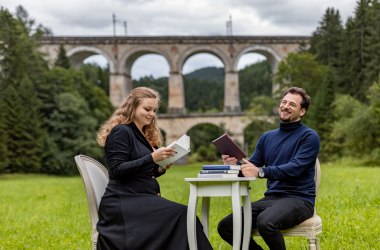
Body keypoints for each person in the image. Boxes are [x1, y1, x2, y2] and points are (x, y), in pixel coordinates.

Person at [96, 87, 212, 250]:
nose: (151, 114)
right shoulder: (121, 131)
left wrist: (160, 167)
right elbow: (116, 171)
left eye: (154, 110)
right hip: (123, 201)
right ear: (132, 107)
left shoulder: (141, 133)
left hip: (141, 197)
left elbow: (140, 172)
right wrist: (152, 158)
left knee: (184, 214)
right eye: (147, 109)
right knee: (183, 214)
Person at [217, 87, 320, 250]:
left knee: (266, 221)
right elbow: (251, 167)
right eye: (284, 102)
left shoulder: (309, 137)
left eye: (292, 104)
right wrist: (233, 165)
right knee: (226, 226)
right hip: (271, 199)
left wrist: (262, 171)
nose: (285, 106)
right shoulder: (267, 137)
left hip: (299, 200)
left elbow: (296, 168)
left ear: (302, 112)